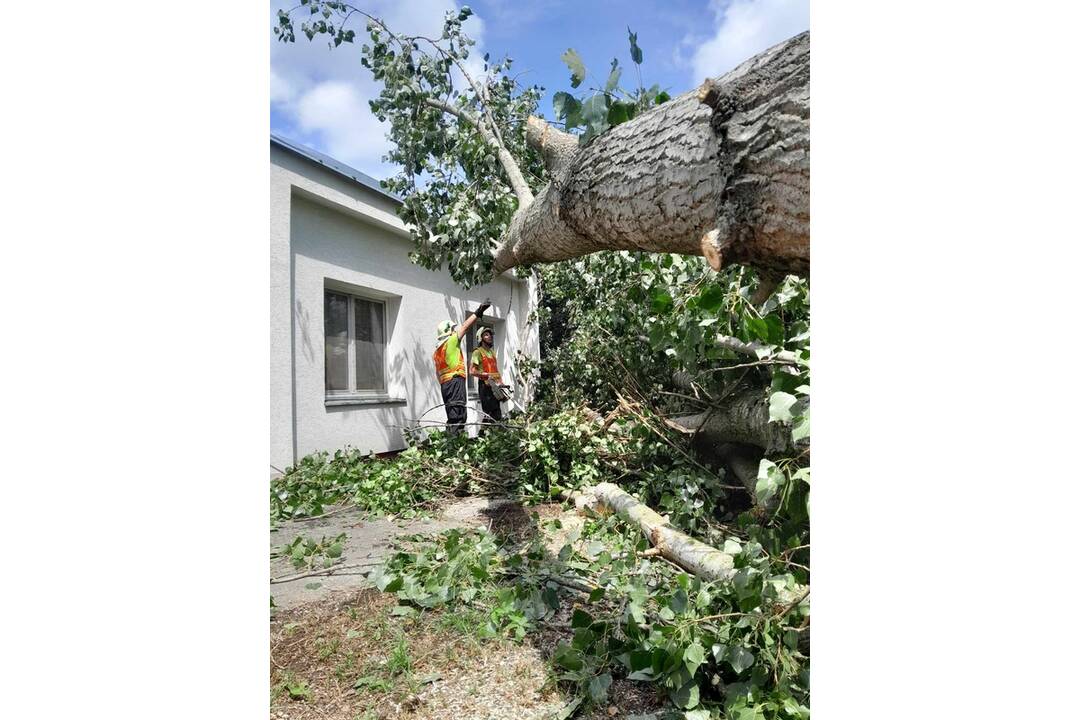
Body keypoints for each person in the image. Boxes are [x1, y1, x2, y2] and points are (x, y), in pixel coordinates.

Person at [432, 298, 490, 435]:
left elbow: (437, 374)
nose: (454, 331)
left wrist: (447, 384)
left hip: (446, 385)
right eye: (452, 329)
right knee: (458, 416)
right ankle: (454, 442)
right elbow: (464, 327)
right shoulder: (450, 341)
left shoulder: (437, 352)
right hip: (455, 381)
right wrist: (478, 312)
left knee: (453, 415)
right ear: (448, 331)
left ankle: (452, 442)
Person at [470, 326, 503, 432]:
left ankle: (492, 436)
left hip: (495, 387)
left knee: (497, 413)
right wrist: (485, 375)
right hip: (485, 387)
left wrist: (501, 383)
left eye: (490, 334)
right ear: (480, 338)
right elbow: (472, 371)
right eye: (486, 335)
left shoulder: (492, 352)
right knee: (489, 414)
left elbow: (496, 370)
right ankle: (484, 435)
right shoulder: (477, 352)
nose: (490, 336)